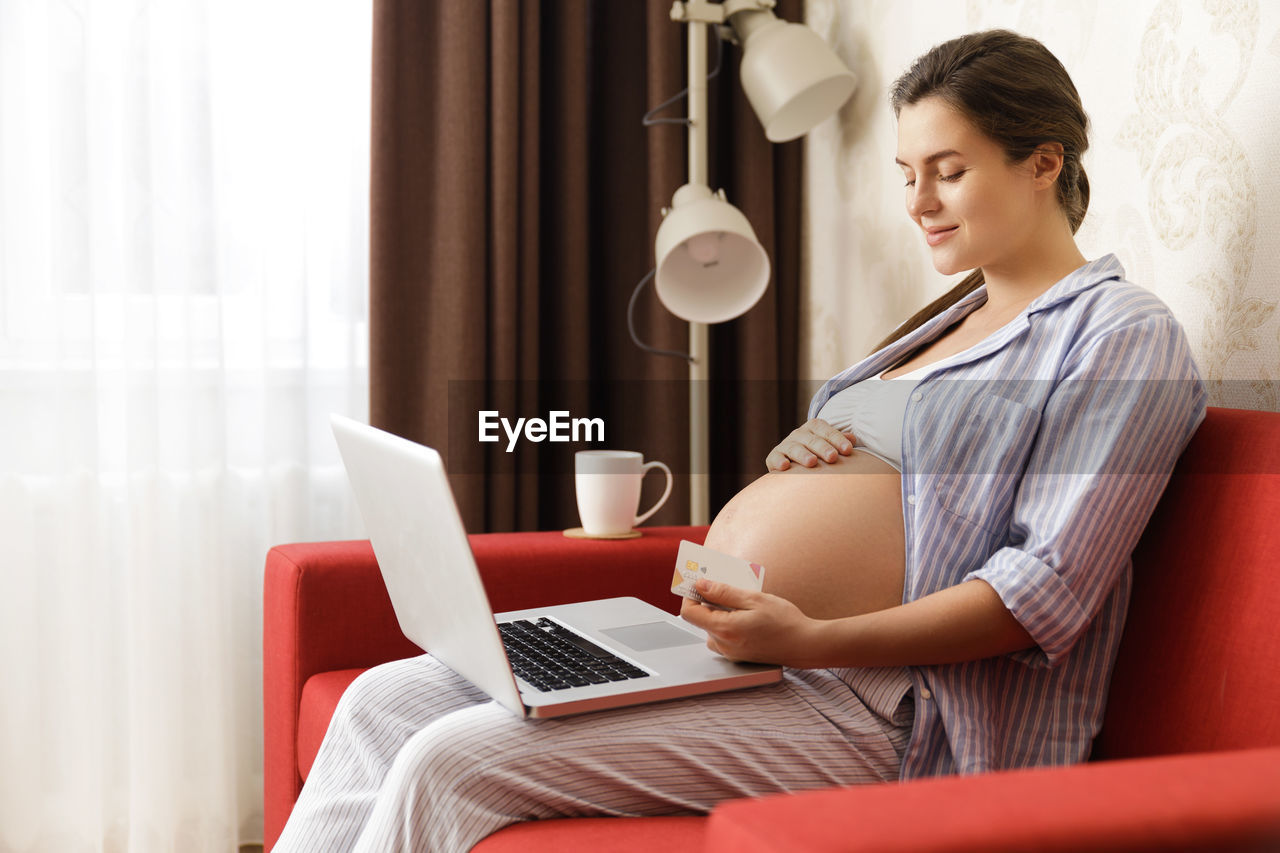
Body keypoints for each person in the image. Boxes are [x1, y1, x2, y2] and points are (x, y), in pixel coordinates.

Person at [274, 29, 1206, 852]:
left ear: (1044, 163)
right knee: (381, 702)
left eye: (949, 170)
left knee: (449, 759)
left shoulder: (1121, 333)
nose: (919, 200)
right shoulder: (946, 317)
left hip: (885, 710)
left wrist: (815, 630)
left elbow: (1043, 593)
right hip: (752, 662)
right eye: (906, 173)